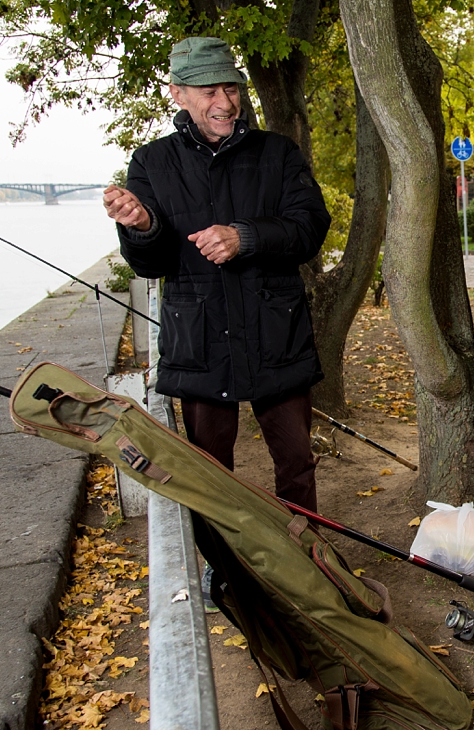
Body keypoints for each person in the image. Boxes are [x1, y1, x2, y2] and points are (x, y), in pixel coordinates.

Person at [102, 37, 332, 510]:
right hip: (199, 345)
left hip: (277, 339)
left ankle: (309, 565)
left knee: (296, 465)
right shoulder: (151, 161)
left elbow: (309, 229)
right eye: (209, 91)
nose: (224, 103)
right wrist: (142, 227)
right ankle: (223, 571)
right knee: (210, 473)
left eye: (231, 88)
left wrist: (244, 237)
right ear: (178, 94)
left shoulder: (279, 153)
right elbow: (153, 264)